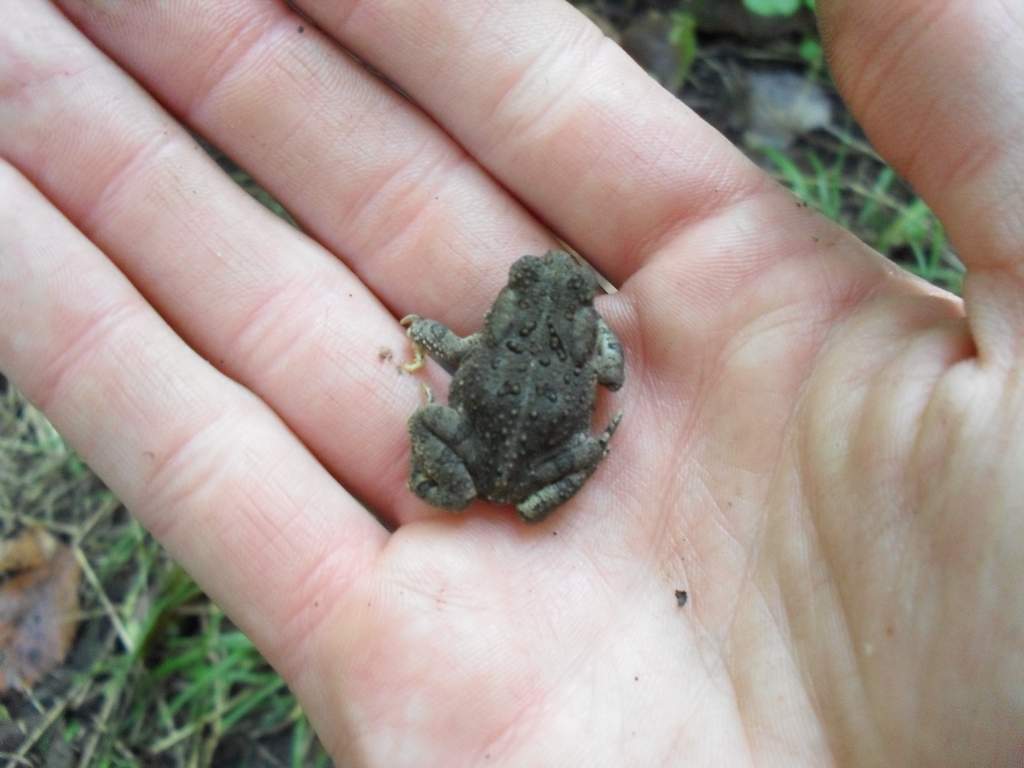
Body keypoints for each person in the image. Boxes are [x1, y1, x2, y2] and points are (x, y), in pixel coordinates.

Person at [0, 0, 1020, 764]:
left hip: (489, 444)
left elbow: (453, 350)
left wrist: (432, 341)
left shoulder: (516, 333)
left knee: (466, 437)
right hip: (535, 459)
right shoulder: (591, 347)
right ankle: (539, 491)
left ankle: (514, 481)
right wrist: (560, 406)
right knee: (559, 450)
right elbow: (603, 380)